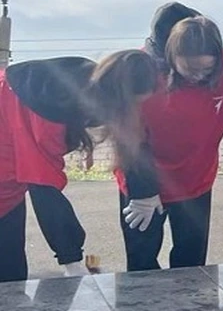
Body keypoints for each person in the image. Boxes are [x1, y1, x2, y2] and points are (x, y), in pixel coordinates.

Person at [116, 5, 223, 270]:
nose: (199, 77)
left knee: (193, 267)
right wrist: (143, 191)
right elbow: (127, 136)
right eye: (190, 70)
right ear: (171, 56)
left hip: (195, 181)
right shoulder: (140, 71)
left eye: (206, 70)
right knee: (141, 267)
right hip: (143, 178)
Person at [0, 50, 158, 282]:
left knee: (11, 276)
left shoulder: (90, 82)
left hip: (10, 190)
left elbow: (130, 136)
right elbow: (43, 186)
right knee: (7, 280)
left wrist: (145, 191)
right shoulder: (45, 107)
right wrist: (70, 257)